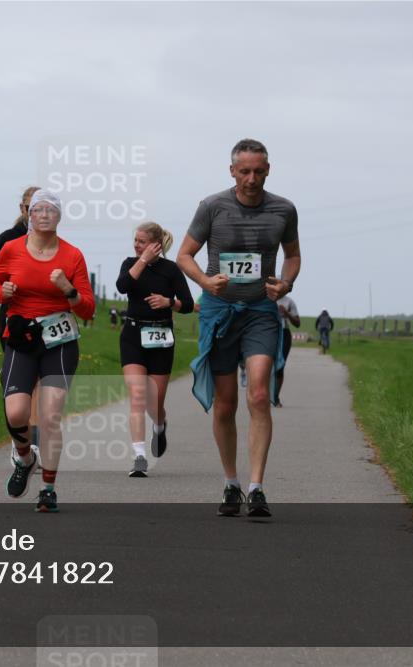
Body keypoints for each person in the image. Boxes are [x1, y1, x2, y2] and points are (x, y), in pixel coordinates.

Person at [175, 139, 300, 518]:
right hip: (220, 311)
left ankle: (257, 487)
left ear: (268, 170)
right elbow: (184, 255)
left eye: (258, 171)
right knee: (226, 404)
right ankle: (231, 483)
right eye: (244, 171)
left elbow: (292, 256)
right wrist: (204, 281)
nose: (251, 178)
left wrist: (286, 283)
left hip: (261, 311)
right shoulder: (212, 206)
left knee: (259, 395)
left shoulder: (283, 209)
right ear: (232, 171)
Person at [0, 189, 95, 512]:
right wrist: (0, 292)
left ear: (59, 217)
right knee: (17, 412)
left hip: (59, 342)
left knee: (49, 415)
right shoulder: (10, 249)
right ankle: (25, 458)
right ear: (28, 216)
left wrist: (69, 291)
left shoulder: (72, 256)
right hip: (21, 337)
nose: (44, 215)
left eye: (51, 210)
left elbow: (88, 309)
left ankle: (48, 487)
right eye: (38, 210)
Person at [115, 222, 194, 477]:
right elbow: (123, 286)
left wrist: (168, 302)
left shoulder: (170, 270)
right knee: (138, 395)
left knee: (154, 401)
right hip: (133, 335)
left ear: (155, 244)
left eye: (141, 242)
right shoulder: (129, 263)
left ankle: (159, 425)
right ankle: (139, 455)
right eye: (135, 240)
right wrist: (142, 260)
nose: (136, 245)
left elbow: (189, 304)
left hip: (160, 337)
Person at [0, 186, 42, 449]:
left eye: (43, 209)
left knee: (39, 382)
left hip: (47, 323)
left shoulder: (55, 243)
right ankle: (21, 443)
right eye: (30, 209)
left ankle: (33, 442)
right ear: (22, 210)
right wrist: (5, 283)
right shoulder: (9, 238)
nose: (37, 215)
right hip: (13, 321)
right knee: (21, 387)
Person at [273, 292, 300, 407]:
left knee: (280, 366)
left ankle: (275, 397)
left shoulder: (289, 301)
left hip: (284, 333)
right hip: (269, 333)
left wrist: (287, 313)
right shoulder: (266, 299)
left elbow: (298, 323)